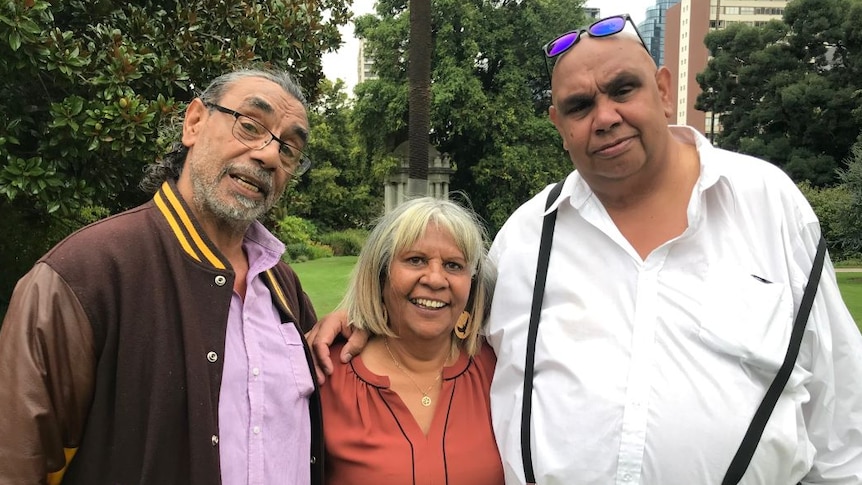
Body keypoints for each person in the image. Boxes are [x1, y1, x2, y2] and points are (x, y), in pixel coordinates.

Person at [309, 14, 862, 484]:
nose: (605, 117)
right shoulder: (529, 235)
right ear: (559, 124)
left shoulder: (769, 206)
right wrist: (364, 312)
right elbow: (442, 300)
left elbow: (842, 425)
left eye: (624, 89)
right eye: (579, 105)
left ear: (663, 88)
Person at [0, 68, 324, 484]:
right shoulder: (87, 273)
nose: (268, 155)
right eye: (249, 126)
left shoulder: (283, 286)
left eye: (289, 150)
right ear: (194, 123)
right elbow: (15, 461)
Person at [319, 196, 503, 484]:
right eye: (415, 260)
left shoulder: (498, 371)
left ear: (472, 283)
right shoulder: (326, 374)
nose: (435, 279)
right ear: (380, 273)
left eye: (454, 265)